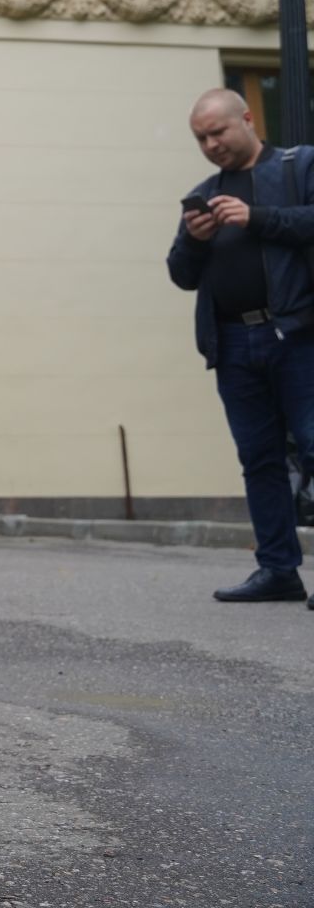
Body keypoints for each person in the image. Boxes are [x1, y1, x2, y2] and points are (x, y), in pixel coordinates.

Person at [168, 88, 314, 605]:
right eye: (201, 137)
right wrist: (194, 239)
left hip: (297, 335)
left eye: (218, 131)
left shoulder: (298, 167)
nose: (210, 144)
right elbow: (181, 275)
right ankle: (278, 570)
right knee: (259, 461)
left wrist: (257, 217)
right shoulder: (204, 192)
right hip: (232, 343)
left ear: (247, 119)